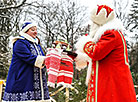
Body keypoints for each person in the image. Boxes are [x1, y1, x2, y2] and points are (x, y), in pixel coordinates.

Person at [75, 4, 137, 102]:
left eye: (93, 23)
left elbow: (96, 53)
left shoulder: (111, 34)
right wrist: (82, 58)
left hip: (111, 83)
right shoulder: (112, 34)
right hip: (110, 81)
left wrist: (84, 43)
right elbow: (101, 57)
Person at [2, 21, 51, 102]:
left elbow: (42, 58)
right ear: (25, 31)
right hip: (22, 76)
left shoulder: (37, 44)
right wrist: (46, 60)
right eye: (32, 30)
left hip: (37, 80)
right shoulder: (19, 43)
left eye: (36, 30)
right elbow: (28, 57)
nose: (35, 32)